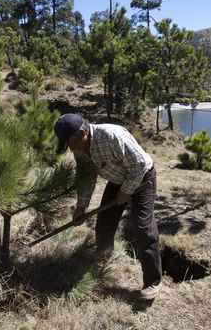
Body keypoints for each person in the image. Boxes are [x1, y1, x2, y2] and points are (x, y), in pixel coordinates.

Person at [54, 113, 162, 300]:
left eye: (70, 143)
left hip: (143, 177)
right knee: (104, 222)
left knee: (143, 225)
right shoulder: (80, 149)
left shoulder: (111, 136)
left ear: (82, 133)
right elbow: (87, 177)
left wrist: (126, 192)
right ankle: (104, 256)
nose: (70, 149)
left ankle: (153, 281)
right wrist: (81, 208)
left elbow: (140, 165)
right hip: (118, 179)